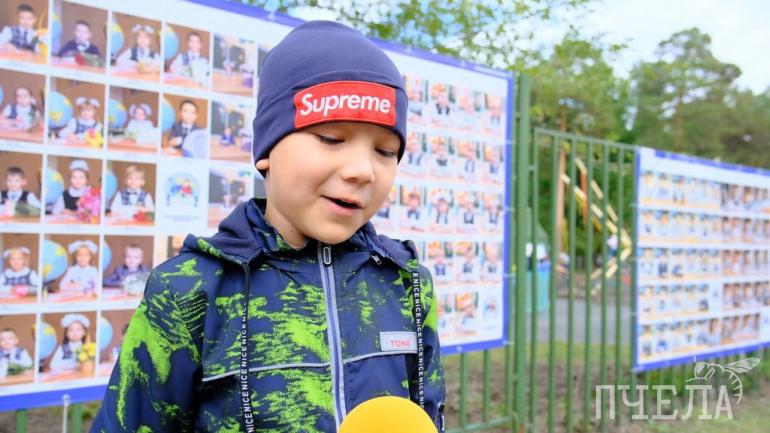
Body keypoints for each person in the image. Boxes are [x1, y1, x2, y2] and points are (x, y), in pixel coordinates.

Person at [91, 20, 445, 433]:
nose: (363, 170)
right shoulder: (189, 290)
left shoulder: (408, 283)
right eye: (332, 138)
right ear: (267, 150)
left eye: (385, 150)